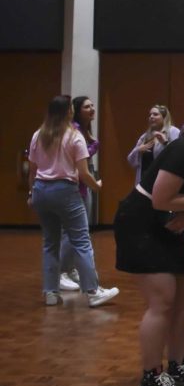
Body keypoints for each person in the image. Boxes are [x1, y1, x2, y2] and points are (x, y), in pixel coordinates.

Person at [114, 91, 184, 386]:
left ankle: (177, 365)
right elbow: (162, 198)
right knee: (162, 300)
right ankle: (151, 375)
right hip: (139, 223)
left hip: (166, 224)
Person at [28, 95, 118, 308]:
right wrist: (97, 186)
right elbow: (83, 174)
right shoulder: (74, 136)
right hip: (65, 190)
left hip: (41, 189)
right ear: (68, 112)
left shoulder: (37, 135)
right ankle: (93, 291)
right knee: (81, 241)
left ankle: (50, 292)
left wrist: (31, 194)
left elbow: (33, 170)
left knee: (50, 242)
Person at [59, 95, 101, 291]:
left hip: (84, 178)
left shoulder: (84, 130)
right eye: (87, 106)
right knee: (73, 230)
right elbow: (80, 156)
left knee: (80, 228)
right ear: (77, 110)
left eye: (92, 106)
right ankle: (61, 271)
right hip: (76, 181)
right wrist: (94, 144)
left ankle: (72, 268)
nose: (92, 109)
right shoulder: (74, 130)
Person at [127, 105, 180, 186]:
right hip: (144, 181)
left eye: (155, 114)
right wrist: (138, 150)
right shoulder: (145, 136)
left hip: (163, 181)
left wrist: (165, 143)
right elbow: (130, 159)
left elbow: (179, 154)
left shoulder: (173, 132)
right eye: (150, 115)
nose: (151, 117)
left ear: (164, 117)